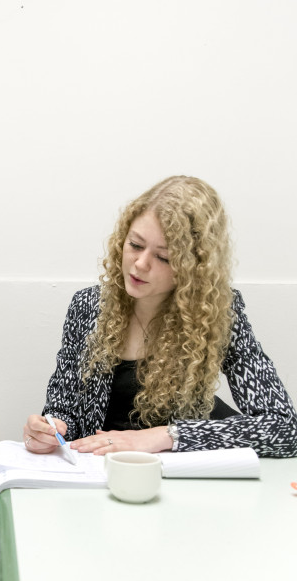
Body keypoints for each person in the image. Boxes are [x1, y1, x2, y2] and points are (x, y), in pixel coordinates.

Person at [24, 175, 297, 458]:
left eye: (164, 257)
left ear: (194, 268)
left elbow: (286, 429)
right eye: (136, 245)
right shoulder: (88, 306)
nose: (140, 264)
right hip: (105, 472)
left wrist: (164, 436)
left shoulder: (219, 313)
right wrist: (49, 428)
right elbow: (63, 407)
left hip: (180, 476)